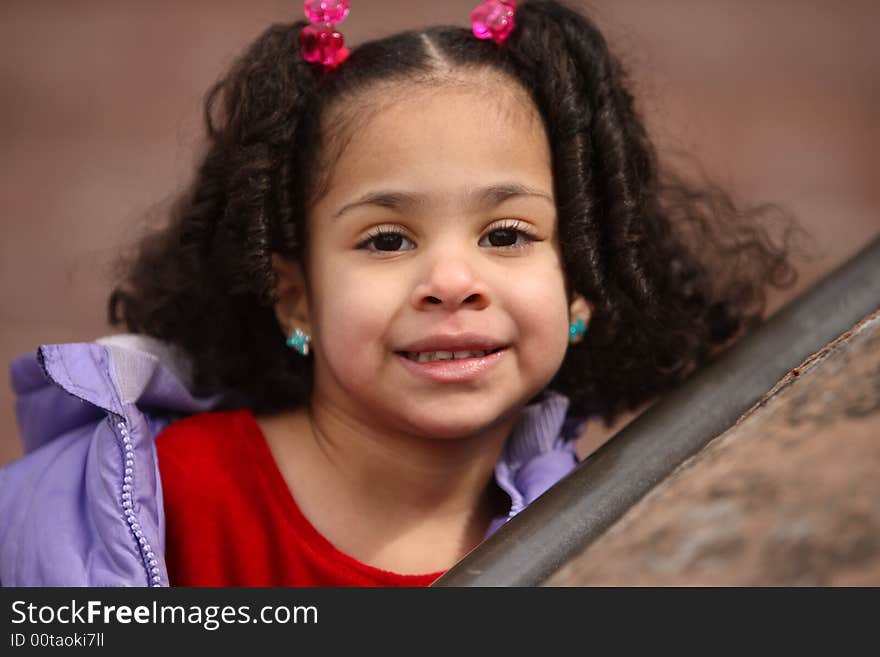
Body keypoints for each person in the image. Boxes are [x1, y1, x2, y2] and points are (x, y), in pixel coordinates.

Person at [0, 0, 799, 586]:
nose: (452, 282)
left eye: (507, 235)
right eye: (387, 240)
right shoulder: (156, 499)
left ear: (582, 287)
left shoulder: (622, 535)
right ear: (296, 298)